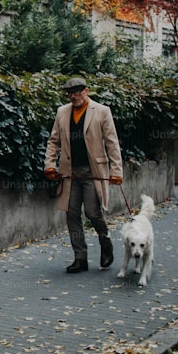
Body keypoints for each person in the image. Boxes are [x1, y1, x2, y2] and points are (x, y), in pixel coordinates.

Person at [44, 77, 123, 273]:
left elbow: (111, 143)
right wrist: (49, 165)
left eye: (77, 91)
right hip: (69, 173)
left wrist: (116, 170)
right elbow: (53, 141)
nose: (73, 96)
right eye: (70, 93)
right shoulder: (62, 112)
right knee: (71, 213)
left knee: (92, 212)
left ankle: (106, 244)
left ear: (86, 91)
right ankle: (80, 258)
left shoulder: (102, 111)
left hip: (93, 172)